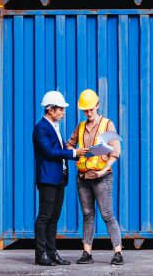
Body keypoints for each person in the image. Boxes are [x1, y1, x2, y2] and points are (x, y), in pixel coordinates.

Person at [32, 91, 90, 267]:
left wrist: (84, 153)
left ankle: (52, 253)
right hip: (48, 179)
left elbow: (62, 149)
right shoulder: (41, 128)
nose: (64, 112)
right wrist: (74, 152)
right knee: (44, 216)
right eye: (61, 109)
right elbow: (49, 152)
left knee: (54, 217)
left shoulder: (55, 126)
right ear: (50, 110)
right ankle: (41, 254)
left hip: (59, 179)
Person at [66, 89, 124, 266]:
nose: (89, 113)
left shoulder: (107, 124)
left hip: (102, 177)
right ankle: (86, 253)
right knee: (87, 215)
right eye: (85, 110)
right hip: (83, 178)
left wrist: (104, 169)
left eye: (91, 108)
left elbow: (116, 150)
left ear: (97, 105)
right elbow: (69, 146)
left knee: (107, 215)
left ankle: (118, 253)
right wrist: (76, 152)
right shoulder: (81, 127)